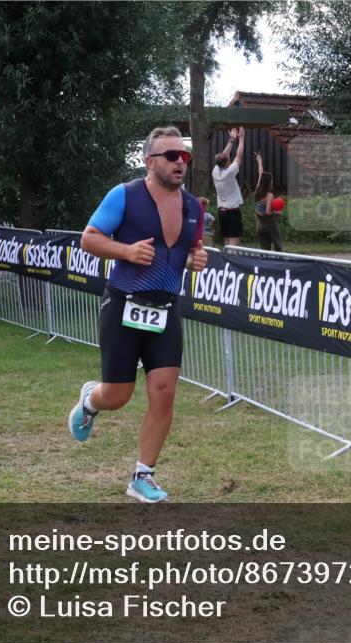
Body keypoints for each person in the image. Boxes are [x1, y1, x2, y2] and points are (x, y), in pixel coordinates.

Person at [68, 126, 208, 503]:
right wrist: (126, 252)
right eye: (171, 156)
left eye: (185, 156)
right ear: (150, 162)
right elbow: (89, 238)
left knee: (164, 393)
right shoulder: (125, 195)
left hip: (166, 308)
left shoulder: (194, 207)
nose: (181, 162)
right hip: (125, 304)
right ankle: (89, 402)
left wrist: (198, 259)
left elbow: (192, 250)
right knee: (117, 396)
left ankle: (142, 475)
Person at [212, 126, 246, 247]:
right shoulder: (229, 173)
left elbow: (224, 155)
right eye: (228, 160)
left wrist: (231, 140)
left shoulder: (215, 172)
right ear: (227, 163)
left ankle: (225, 264)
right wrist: (241, 139)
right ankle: (232, 265)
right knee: (233, 246)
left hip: (222, 212)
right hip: (233, 212)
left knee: (226, 244)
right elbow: (239, 155)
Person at [253, 152, 283, 252]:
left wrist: (259, 162)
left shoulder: (258, 189)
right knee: (278, 245)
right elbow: (268, 212)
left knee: (264, 249)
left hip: (259, 224)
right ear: (269, 182)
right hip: (269, 224)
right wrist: (278, 212)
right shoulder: (269, 195)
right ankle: (280, 264)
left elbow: (260, 174)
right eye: (272, 180)